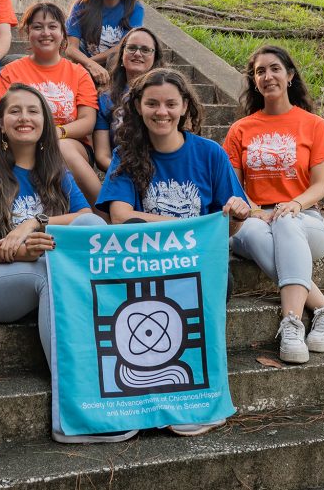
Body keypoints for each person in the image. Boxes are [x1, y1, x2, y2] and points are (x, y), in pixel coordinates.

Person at [0, 82, 135, 444]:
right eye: (15, 111)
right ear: (1, 123)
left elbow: (88, 217)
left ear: (45, 121)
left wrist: (33, 223)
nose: (25, 117)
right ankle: (75, 410)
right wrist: (23, 250)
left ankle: (119, 371)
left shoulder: (55, 172)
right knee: (51, 275)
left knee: (89, 227)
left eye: (33, 111)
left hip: (40, 269)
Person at [95, 67, 250, 436]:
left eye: (170, 104)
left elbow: (229, 221)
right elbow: (119, 217)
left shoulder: (210, 153)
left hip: (198, 264)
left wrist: (238, 214)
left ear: (184, 108)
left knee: (218, 285)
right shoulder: (126, 154)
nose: (160, 111)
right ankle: (135, 396)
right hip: (143, 265)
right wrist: (185, 226)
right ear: (138, 107)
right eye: (151, 103)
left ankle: (194, 398)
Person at [223, 44, 324, 365]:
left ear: (289, 76)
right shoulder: (241, 130)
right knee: (255, 231)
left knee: (286, 220)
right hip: (253, 219)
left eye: (275, 68)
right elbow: (233, 186)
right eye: (260, 71)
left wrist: (293, 204)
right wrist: (253, 210)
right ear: (254, 81)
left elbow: (319, 186)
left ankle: (291, 322)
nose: (267, 76)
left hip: (306, 221)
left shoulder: (313, 125)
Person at [0, 2, 101, 205]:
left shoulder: (78, 73)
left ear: (62, 33)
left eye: (52, 26)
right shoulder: (11, 72)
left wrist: (56, 133)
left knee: (62, 147)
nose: (45, 33)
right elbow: (0, 116)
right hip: (22, 145)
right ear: (27, 33)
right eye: (38, 27)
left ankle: (104, 212)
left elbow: (87, 121)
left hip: (71, 145)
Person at [65, 0, 144, 86]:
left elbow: (122, 48)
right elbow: (71, 49)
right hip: (84, 76)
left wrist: (90, 63)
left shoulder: (135, 9)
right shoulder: (81, 6)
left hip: (117, 76)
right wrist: (89, 66)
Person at [92, 27, 164, 172]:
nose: (137, 54)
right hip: (120, 172)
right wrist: (125, 174)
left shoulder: (167, 95)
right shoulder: (106, 98)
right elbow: (102, 156)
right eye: (131, 48)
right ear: (121, 55)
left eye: (145, 50)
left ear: (155, 57)